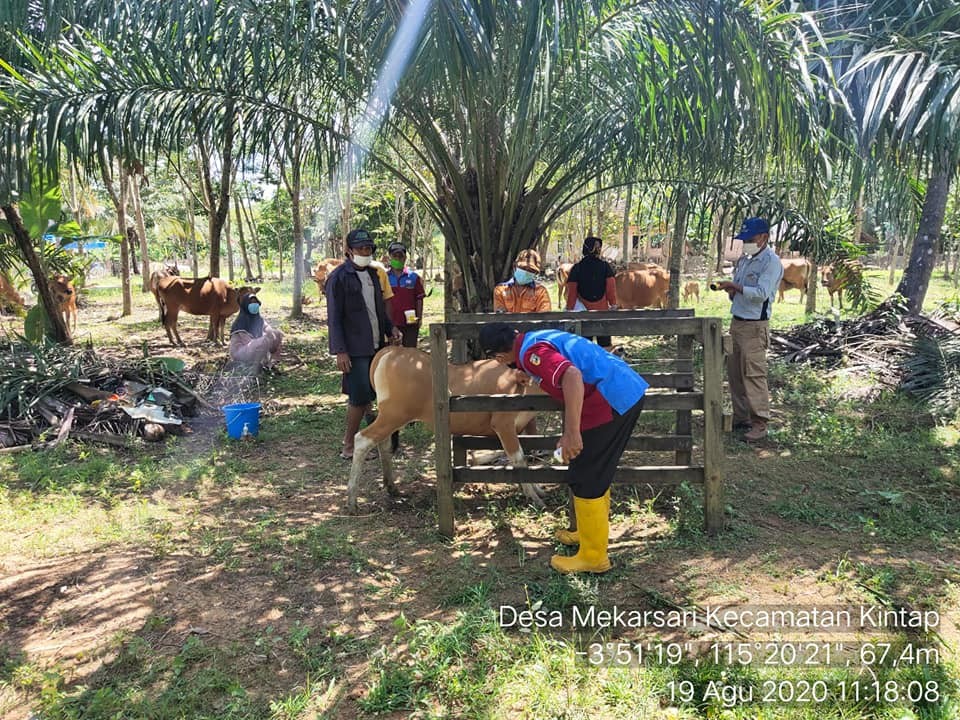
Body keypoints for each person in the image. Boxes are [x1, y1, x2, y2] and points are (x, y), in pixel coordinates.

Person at [478, 322, 649, 574]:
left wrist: (571, 432)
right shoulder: (532, 342)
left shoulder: (530, 354)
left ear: (499, 356)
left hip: (610, 400)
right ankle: (587, 533)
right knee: (588, 469)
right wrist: (529, 374)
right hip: (618, 392)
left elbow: (571, 376)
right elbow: (558, 368)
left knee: (588, 475)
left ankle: (594, 557)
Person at [327, 228, 402, 459]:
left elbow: (378, 309)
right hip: (355, 348)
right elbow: (334, 318)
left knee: (375, 394)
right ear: (349, 251)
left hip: (376, 344)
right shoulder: (338, 278)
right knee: (359, 398)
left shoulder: (373, 274)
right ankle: (349, 445)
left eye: (368, 248)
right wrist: (340, 351)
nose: (365, 252)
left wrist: (391, 328)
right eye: (360, 249)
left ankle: (374, 440)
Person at [714, 217, 784, 442]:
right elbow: (742, 288)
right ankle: (741, 417)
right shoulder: (745, 261)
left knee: (754, 374)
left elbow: (761, 293)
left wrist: (736, 287)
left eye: (750, 239)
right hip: (738, 323)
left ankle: (760, 422)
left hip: (755, 326)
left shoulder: (771, 263)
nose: (746, 244)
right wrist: (732, 290)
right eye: (744, 240)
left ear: (763, 237)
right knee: (735, 374)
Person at [564, 236, 618, 348]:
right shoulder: (605, 267)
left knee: (584, 347)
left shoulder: (577, 268)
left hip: (583, 314)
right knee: (605, 347)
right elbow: (611, 289)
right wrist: (613, 305)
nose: (598, 249)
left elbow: (572, 293)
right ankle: (603, 365)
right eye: (596, 247)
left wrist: (569, 309)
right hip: (602, 313)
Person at [229, 291, 283, 372]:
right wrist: (266, 339)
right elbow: (249, 343)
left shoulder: (258, 319)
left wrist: (271, 334)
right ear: (246, 305)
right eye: (251, 303)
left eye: (255, 303)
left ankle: (273, 363)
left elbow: (268, 328)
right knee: (264, 341)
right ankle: (257, 366)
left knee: (277, 334)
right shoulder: (240, 323)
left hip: (254, 347)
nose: (254, 305)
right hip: (240, 353)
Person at [385, 241, 426, 348]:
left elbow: (419, 299)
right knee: (392, 354)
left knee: (410, 352)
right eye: (395, 256)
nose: (398, 258)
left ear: (405, 258)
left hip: (410, 323)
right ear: (390, 257)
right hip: (391, 323)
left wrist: (419, 318)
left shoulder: (413, 277)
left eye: (401, 256)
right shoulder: (384, 278)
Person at [493, 249, 552, 313]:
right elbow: (500, 317)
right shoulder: (500, 290)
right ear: (515, 266)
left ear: (535, 273)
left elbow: (544, 317)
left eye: (531, 270)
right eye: (523, 268)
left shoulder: (541, 292)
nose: (526, 272)